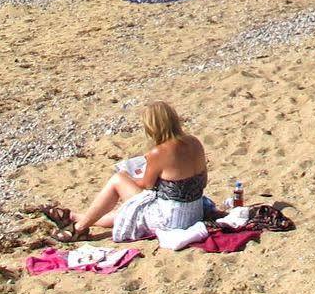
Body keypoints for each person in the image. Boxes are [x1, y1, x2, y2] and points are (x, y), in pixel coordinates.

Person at [67, 100, 214, 242]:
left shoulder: (159, 152)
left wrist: (129, 177)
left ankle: (79, 228)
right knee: (130, 211)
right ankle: (79, 218)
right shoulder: (195, 142)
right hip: (195, 212)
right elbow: (204, 181)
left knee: (118, 180)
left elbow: (147, 184)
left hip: (170, 220)